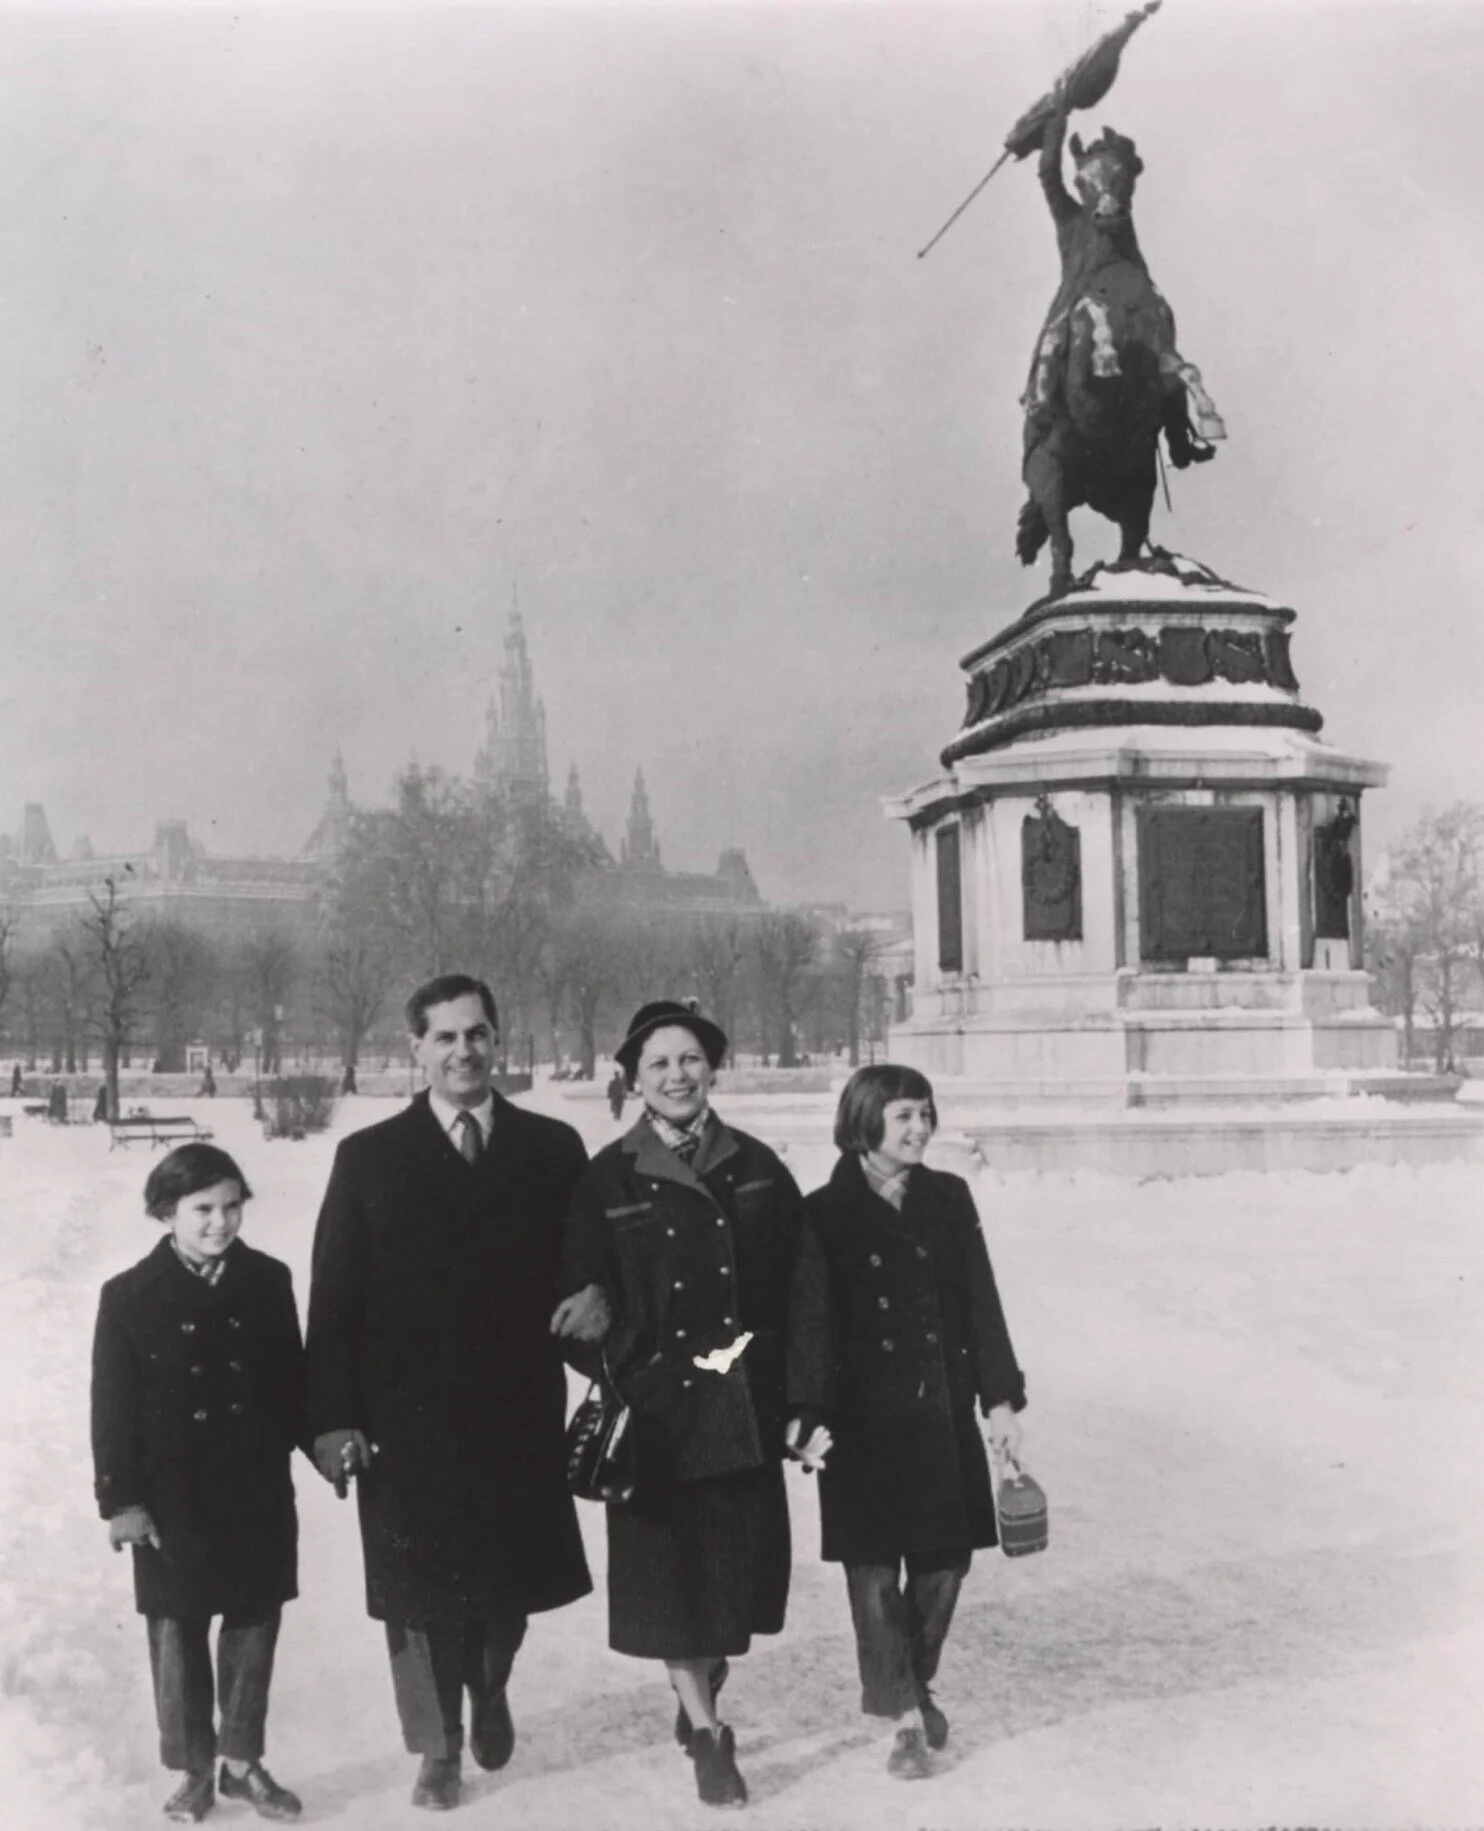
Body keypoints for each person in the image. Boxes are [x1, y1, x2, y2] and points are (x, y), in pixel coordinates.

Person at [305, 973, 608, 1813]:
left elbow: (585, 1271)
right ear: (416, 1050)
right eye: (444, 1037)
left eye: (476, 1034)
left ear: (498, 1040)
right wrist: (331, 1420)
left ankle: (491, 1679)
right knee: (422, 1594)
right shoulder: (367, 1157)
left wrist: (598, 1295)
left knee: (508, 1587)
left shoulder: (552, 1148)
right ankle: (437, 1746)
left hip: (516, 1409)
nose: (463, 1051)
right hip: (405, 1419)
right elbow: (332, 1300)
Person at [562, 1000, 829, 1810]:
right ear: (634, 1078)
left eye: (689, 1060)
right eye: (658, 1064)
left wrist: (803, 1395)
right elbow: (575, 1300)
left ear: (712, 1068)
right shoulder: (607, 1175)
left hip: (742, 1404)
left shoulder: (756, 1166)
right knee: (671, 1588)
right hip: (656, 1417)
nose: (676, 1076)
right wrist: (620, 1365)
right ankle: (710, 1735)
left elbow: (804, 1288)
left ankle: (701, 1686)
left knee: (734, 1585)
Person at [791, 1064, 1027, 1781]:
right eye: (903, 1117)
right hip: (859, 1425)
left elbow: (981, 1304)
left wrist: (1002, 1401)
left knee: (945, 1564)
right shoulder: (822, 1212)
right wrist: (804, 1416)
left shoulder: (949, 1198)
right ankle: (902, 1718)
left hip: (939, 1411)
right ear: (864, 1122)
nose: (921, 1129)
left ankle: (911, 1684)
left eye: (926, 1113)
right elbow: (808, 1323)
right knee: (872, 1577)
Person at [90, 1143, 306, 1824]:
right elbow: (112, 1407)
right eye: (203, 1208)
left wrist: (327, 1437)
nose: (220, 1221)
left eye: (231, 1206)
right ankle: (193, 1768)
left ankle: (241, 1764)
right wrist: (121, 1499)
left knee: (252, 1626)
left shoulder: (268, 1280)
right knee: (177, 1633)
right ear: (167, 1210)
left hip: (254, 1488)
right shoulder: (128, 1295)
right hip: (170, 1497)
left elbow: (293, 1384)